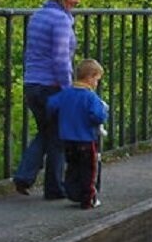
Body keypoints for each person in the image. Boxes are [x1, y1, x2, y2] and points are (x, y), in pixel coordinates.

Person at [13, 0, 85, 199]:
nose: (77, 1)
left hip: (32, 84)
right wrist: (68, 89)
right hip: (51, 85)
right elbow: (61, 58)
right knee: (57, 137)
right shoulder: (61, 20)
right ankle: (54, 188)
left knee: (47, 131)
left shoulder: (38, 16)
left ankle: (25, 177)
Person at [46, 59, 108, 209]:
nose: (96, 84)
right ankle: (88, 199)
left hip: (68, 139)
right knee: (89, 170)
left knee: (73, 167)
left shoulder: (66, 93)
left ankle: (73, 192)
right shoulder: (91, 97)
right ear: (90, 77)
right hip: (86, 139)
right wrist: (104, 110)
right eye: (97, 79)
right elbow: (97, 116)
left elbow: (51, 104)